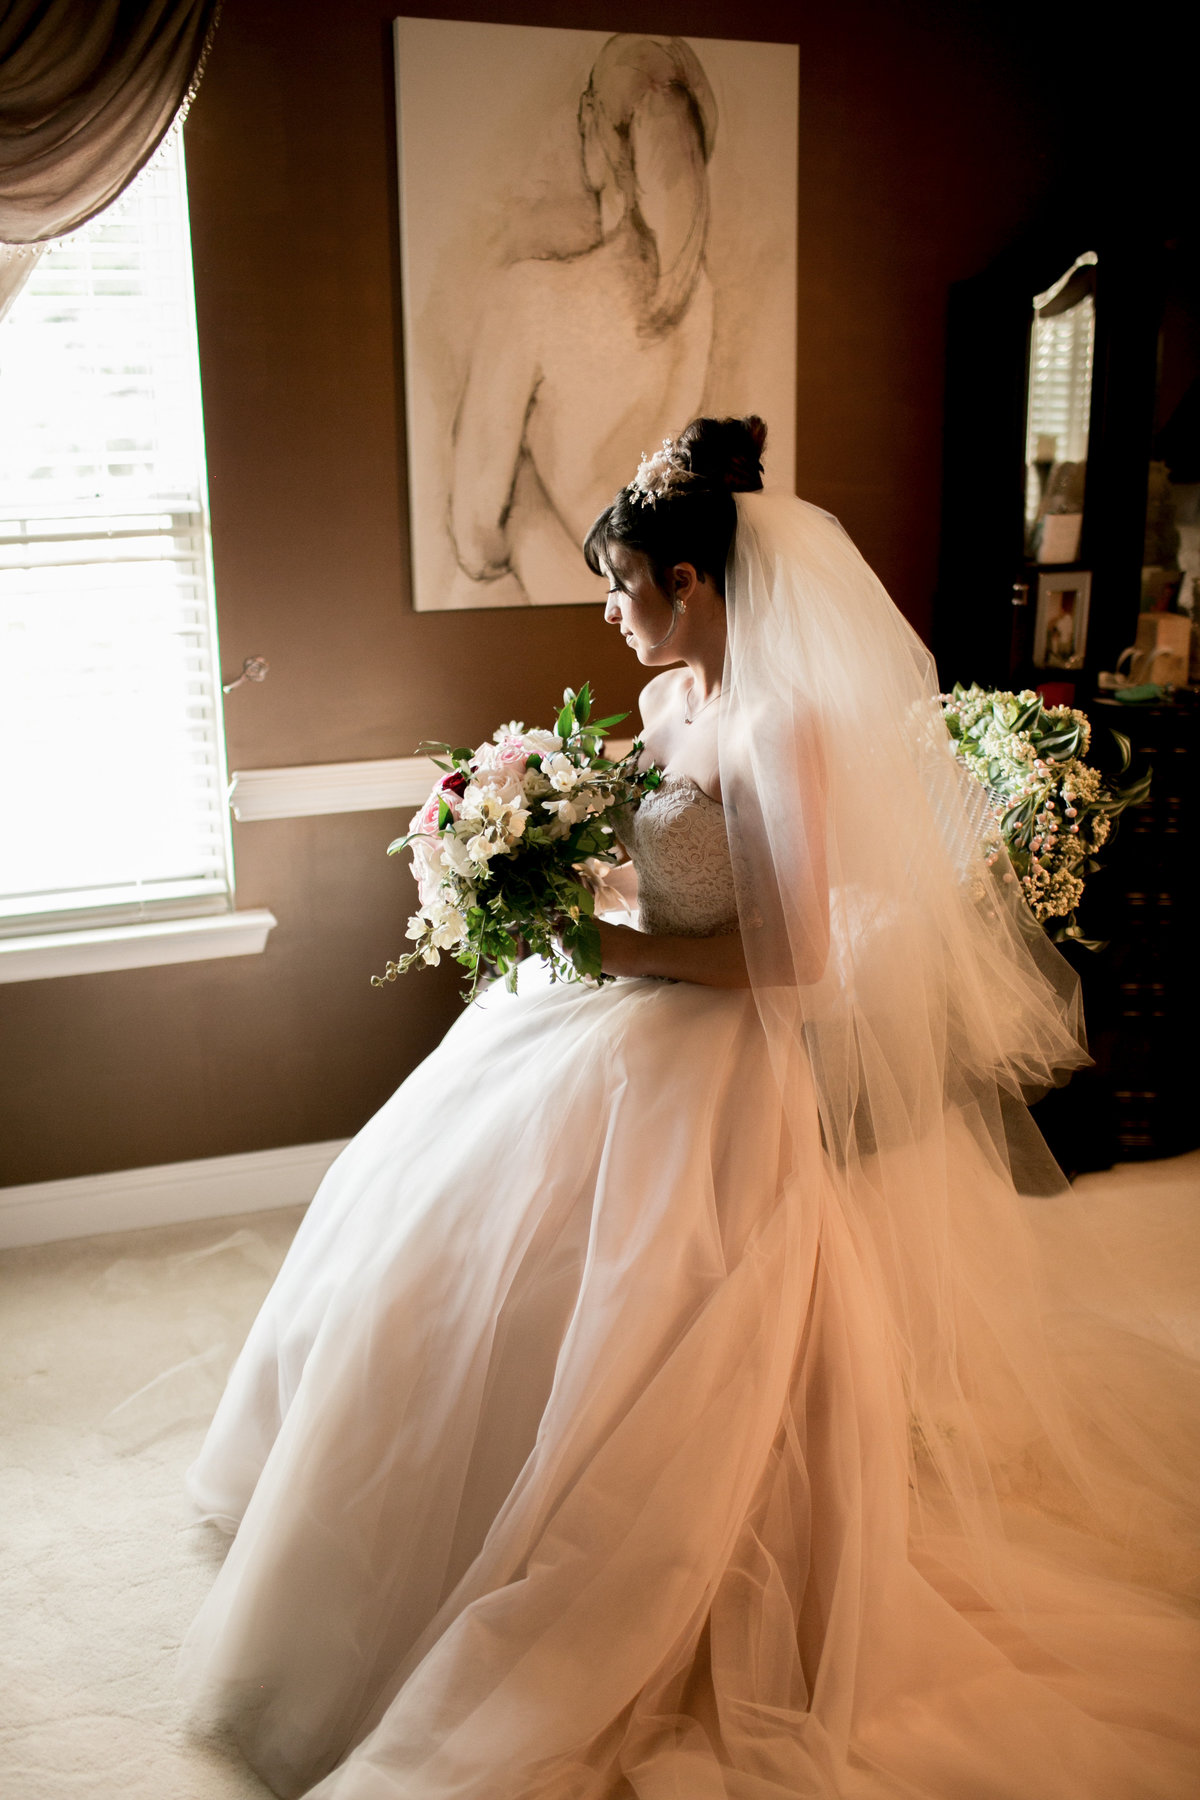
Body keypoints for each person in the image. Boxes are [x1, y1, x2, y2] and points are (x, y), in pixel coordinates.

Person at [181, 418, 1200, 1799]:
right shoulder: (669, 710)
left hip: (715, 1060)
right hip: (616, 1008)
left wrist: (607, 948)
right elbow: (666, 881)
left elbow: (789, 959)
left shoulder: (787, 726)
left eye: (623, 583)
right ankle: (431, 1522)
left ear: (696, 582)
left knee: (665, 1320)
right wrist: (554, 892)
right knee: (440, 1229)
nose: (607, 610)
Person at [446, 34, 716, 609]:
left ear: (596, 135)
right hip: (654, 611)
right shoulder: (698, 299)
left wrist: (527, 510)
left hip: (558, 609)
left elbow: (473, 542)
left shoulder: (527, 299)